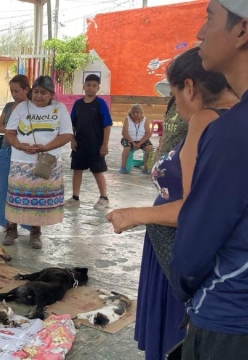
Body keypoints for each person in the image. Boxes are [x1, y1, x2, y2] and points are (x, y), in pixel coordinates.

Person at [106, 47, 238, 360]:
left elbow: (195, 210)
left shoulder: (206, 120)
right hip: (183, 247)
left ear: (190, 88)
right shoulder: (233, 119)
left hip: (185, 253)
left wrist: (134, 214)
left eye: (175, 93)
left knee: (177, 342)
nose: (175, 104)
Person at [170, 2, 248, 358]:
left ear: (242, 30)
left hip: (228, 319)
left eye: (210, 17)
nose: (200, 32)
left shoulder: (233, 131)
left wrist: (185, 286)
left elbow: (196, 240)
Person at [4, 76, 72, 249]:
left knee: (39, 198)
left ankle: (36, 233)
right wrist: (18, 145)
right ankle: (11, 229)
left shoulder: (59, 108)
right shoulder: (21, 107)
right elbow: (9, 132)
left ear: (51, 94)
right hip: (21, 160)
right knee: (15, 197)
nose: (39, 96)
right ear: (31, 91)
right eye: (36, 92)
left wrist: (45, 147)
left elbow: (66, 135)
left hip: (46, 161)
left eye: (43, 93)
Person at [65, 74, 112, 209]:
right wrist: (72, 139)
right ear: (84, 86)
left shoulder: (100, 104)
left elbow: (107, 125)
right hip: (79, 144)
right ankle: (75, 197)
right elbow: (71, 124)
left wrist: (104, 144)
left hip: (96, 145)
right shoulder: (78, 104)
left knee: (97, 171)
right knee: (77, 170)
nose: (91, 88)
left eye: (94, 86)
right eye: (88, 85)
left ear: (98, 88)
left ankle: (104, 197)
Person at [0, 75, 31, 241]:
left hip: (25, 152)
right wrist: (12, 130)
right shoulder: (9, 106)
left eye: (17, 91)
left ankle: (26, 225)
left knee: (24, 189)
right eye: (12, 91)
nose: (14, 94)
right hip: (6, 150)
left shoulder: (33, 107)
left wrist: (12, 130)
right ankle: (3, 222)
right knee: (4, 188)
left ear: (26, 89)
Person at [118, 105, 153, 174]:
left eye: (137, 112)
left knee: (149, 148)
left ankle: (146, 167)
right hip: (128, 139)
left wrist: (140, 143)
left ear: (141, 113)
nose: (135, 114)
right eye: (133, 112)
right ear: (130, 113)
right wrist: (133, 142)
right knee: (127, 148)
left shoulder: (145, 120)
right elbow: (124, 133)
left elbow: (148, 134)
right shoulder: (127, 119)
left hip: (141, 140)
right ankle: (123, 167)